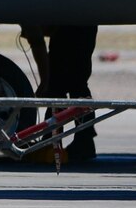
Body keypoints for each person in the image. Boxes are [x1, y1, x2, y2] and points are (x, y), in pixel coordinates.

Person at [23, 24, 99, 163]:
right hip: (82, 23)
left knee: (61, 87)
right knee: (76, 85)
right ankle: (82, 141)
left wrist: (45, 81)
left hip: (69, 26)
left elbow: (37, 41)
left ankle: (53, 142)